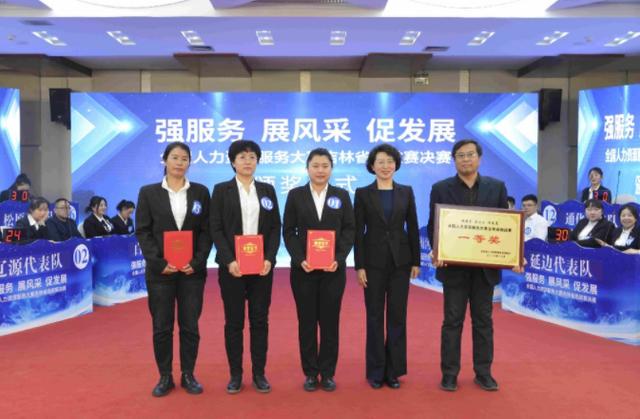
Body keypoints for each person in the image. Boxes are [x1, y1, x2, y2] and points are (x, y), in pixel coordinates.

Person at [427, 139, 522, 393]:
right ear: (454, 160)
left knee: (483, 322)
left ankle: (483, 372)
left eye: (470, 154)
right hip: (453, 268)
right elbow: (434, 224)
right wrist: (438, 250)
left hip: (484, 270)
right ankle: (449, 374)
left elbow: (505, 226)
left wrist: (513, 255)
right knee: (452, 322)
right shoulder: (440, 188)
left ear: (479, 158)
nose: (466, 159)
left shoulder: (496, 187)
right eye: (460, 155)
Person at [135, 142, 212, 398]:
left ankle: (188, 374)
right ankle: (165, 376)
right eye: (175, 157)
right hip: (160, 274)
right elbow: (143, 231)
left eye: (184, 158)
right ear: (165, 160)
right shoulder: (148, 193)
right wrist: (158, 262)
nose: (180, 162)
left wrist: (198, 261)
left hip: (192, 273)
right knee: (162, 326)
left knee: (190, 325)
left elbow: (206, 231)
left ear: (190, 162)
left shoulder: (200, 192)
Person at [210, 140, 281, 394]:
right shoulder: (221, 190)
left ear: (258, 161)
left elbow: (275, 227)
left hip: (261, 268)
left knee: (260, 320)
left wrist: (269, 258)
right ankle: (236, 374)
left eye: (252, 157)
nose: (247, 161)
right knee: (234, 322)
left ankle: (259, 373)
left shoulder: (267, 190)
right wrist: (229, 259)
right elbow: (215, 227)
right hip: (233, 268)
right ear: (233, 162)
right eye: (242, 157)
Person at [283, 148, 355, 392]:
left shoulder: (341, 195)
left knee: (330, 322)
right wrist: (300, 258)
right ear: (307, 168)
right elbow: (288, 231)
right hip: (303, 271)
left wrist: (339, 257)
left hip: (333, 271)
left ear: (331, 169)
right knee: (306, 323)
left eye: (325, 166)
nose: (320, 170)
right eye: (315, 166)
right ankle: (311, 373)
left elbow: (349, 229)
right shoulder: (295, 195)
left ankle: (328, 372)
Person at [354, 144, 420, 390]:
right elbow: (358, 232)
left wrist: (416, 261)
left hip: (400, 262)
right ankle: (375, 371)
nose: (385, 166)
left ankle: (393, 371)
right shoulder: (363, 193)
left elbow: (412, 227)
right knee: (374, 316)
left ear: (396, 165)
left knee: (397, 316)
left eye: (390, 161)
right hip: (372, 263)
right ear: (372, 166)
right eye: (380, 162)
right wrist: (359, 265)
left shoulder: (406, 192)